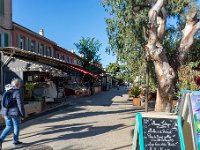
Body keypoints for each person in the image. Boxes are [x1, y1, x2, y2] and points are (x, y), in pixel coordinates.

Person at [0, 79, 25, 149]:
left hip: (5, 113)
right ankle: (15, 141)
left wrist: (3, 112)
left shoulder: (6, 91)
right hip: (14, 113)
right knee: (16, 126)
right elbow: (20, 104)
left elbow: (3, 103)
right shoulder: (17, 92)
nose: (20, 85)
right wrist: (22, 114)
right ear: (18, 85)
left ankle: (0, 139)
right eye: (20, 84)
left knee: (8, 127)